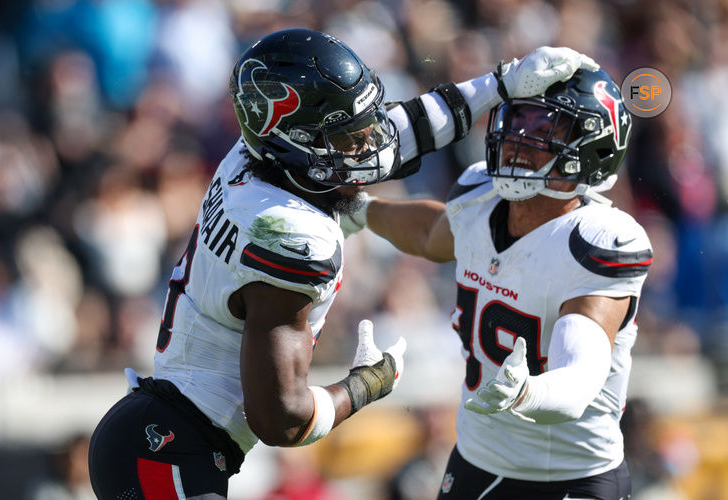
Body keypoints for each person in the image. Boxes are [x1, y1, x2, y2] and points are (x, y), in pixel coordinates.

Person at [87, 27, 598, 499]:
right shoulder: (288, 233)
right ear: (297, 142)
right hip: (167, 449)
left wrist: (503, 83)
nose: (369, 144)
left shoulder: (257, 158)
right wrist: (365, 384)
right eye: (346, 136)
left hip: (159, 435)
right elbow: (280, 419)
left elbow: (406, 130)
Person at [344, 66, 651, 499]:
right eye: (517, 119)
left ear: (591, 147)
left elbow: (580, 376)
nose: (518, 137)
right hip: (478, 461)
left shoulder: (598, 239)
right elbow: (434, 234)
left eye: (543, 126)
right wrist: (360, 208)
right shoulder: (480, 193)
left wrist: (529, 391)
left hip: (572, 476)